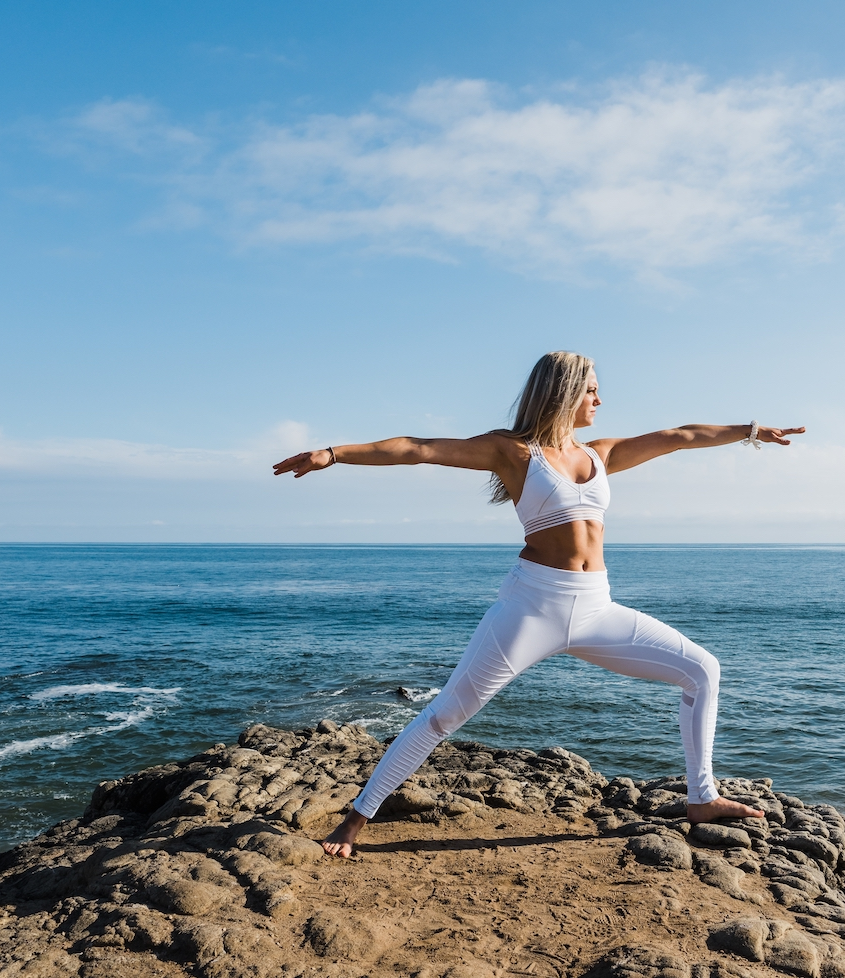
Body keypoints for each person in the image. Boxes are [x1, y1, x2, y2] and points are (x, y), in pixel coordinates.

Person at [272, 350, 805, 857]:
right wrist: (333, 454)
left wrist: (752, 432)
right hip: (532, 608)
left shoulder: (601, 454)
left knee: (702, 670)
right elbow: (417, 447)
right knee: (443, 717)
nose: (600, 401)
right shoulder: (512, 452)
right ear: (565, 393)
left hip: (597, 608)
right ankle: (356, 817)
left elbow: (679, 437)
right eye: (592, 390)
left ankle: (702, 798)